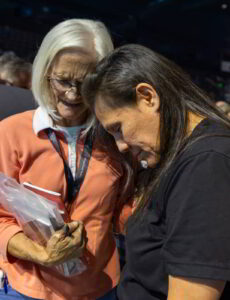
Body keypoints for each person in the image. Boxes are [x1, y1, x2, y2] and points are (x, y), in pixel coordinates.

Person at [82, 44, 230, 300]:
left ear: (147, 97)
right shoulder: (180, 155)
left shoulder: (206, 163)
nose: (121, 145)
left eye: (118, 128)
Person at [0, 19, 133, 300]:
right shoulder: (10, 133)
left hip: (100, 288)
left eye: (85, 85)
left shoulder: (114, 136)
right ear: (46, 71)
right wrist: (41, 253)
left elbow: (125, 212)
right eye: (63, 81)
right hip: (27, 289)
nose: (73, 94)